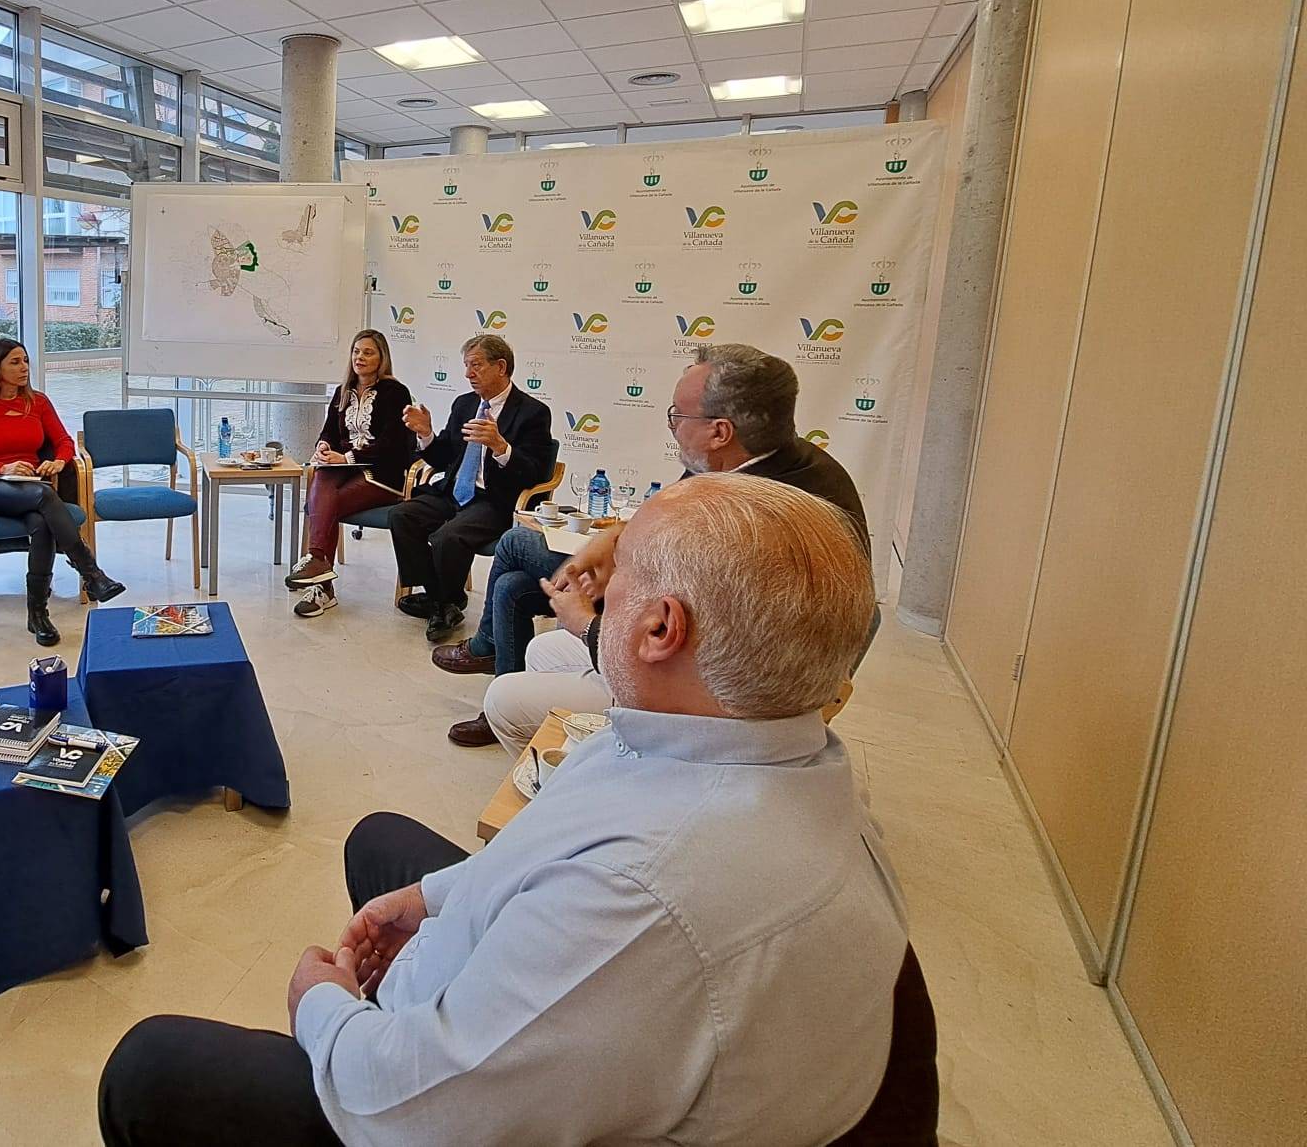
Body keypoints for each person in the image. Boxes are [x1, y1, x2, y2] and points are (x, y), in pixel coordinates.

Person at [97, 474, 915, 1146]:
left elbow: (414, 1115)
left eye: (614, 575)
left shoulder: (640, 903)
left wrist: (320, 1006)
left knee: (149, 1070)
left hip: (431, 1105)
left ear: (663, 627)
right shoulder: (746, 747)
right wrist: (432, 901)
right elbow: (560, 841)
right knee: (381, 844)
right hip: (533, 987)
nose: (591, 584)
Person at [471, 342, 872, 750]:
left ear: (720, 431)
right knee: (530, 623)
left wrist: (588, 625)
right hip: (698, 661)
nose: (672, 426)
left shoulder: (756, 518)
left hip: (719, 707)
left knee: (505, 690)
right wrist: (611, 540)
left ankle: (598, 784)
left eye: (677, 416)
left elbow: (686, 649)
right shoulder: (745, 462)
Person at [0, 337, 125, 647]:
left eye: (25, 361)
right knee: (45, 497)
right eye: (14, 362)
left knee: (42, 523)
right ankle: (91, 572)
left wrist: (58, 462)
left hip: (29, 487)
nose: (24, 368)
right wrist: (3, 468)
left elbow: (64, 441)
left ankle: (37, 615)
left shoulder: (38, 402)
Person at [386, 333, 555, 645]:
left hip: (495, 500)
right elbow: (444, 456)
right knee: (402, 516)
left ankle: (440, 603)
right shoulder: (464, 404)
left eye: (476, 365)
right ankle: (443, 601)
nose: (468, 374)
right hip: (453, 491)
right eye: (466, 366)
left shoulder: (533, 412)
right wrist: (425, 434)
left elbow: (535, 472)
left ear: (501, 366)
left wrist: (501, 446)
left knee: (447, 537)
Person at [284, 330, 416, 620]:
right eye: (356, 351)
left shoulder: (396, 392)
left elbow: (393, 445)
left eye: (368, 352)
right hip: (344, 470)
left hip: (384, 475)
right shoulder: (343, 389)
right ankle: (319, 568)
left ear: (382, 357)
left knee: (323, 504)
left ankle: (320, 580)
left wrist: (347, 457)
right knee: (322, 477)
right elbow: (329, 430)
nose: (360, 358)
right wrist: (323, 447)